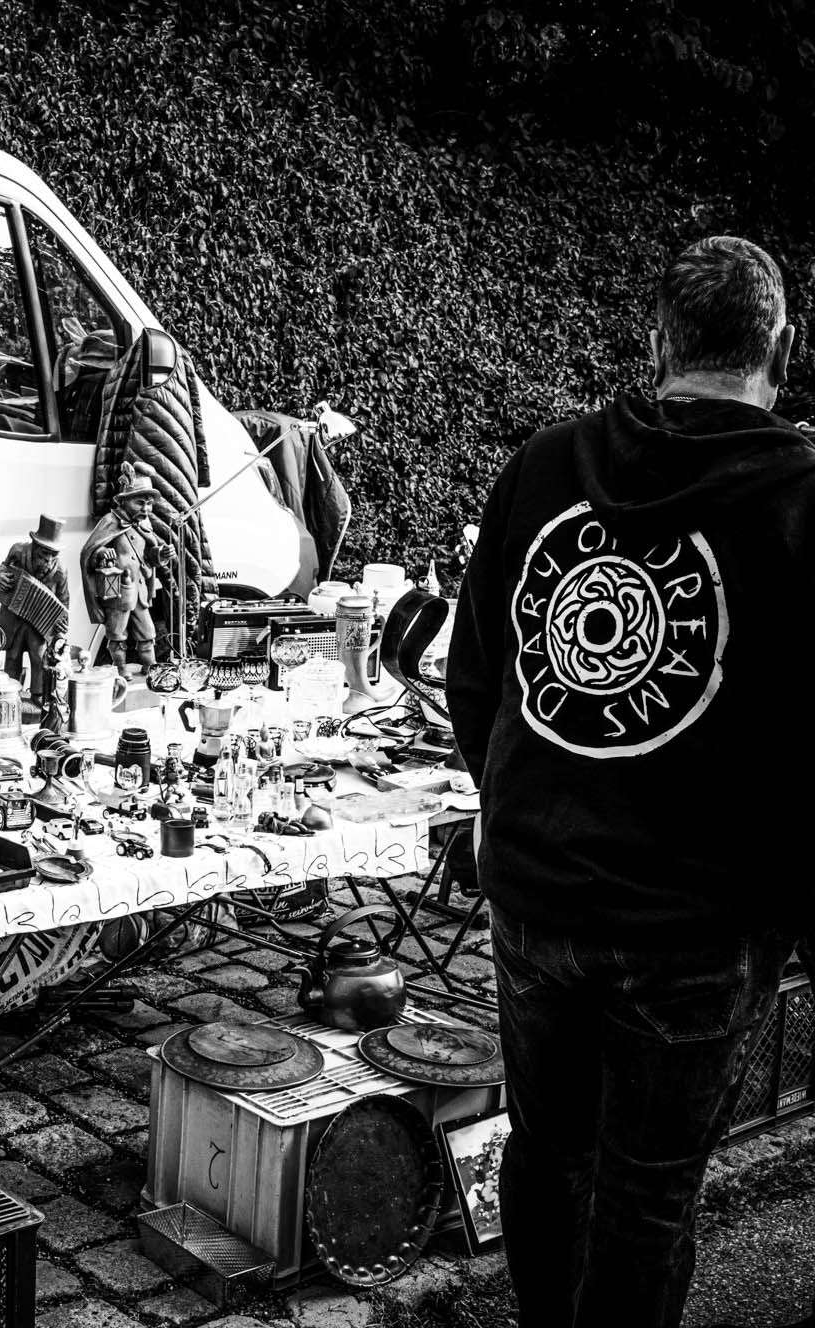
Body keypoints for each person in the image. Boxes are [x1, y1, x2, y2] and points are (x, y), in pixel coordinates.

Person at [447, 235, 811, 1328]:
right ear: (778, 350)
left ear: (655, 342)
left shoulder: (544, 464)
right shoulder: (799, 498)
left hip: (541, 895)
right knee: (646, 1195)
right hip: (693, 925)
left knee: (545, 1153)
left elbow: (475, 676)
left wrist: (516, 810)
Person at [80, 468, 164, 673]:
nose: (145, 509)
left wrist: (160, 554)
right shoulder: (110, 522)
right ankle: (120, 668)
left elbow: (148, 556)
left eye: (149, 503)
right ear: (124, 501)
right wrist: (102, 553)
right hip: (119, 590)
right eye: (140, 503)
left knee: (147, 632)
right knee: (117, 633)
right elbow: (90, 551)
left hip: (140, 590)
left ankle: (150, 668)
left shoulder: (145, 524)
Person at [0, 514, 70, 706]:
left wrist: (61, 628)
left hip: (39, 624)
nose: (48, 560)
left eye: (53, 555)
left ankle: (38, 696)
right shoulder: (18, 551)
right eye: (44, 554)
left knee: (39, 656)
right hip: (14, 618)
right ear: (35, 546)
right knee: (13, 656)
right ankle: (9, 695)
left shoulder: (60, 571)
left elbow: (64, 603)